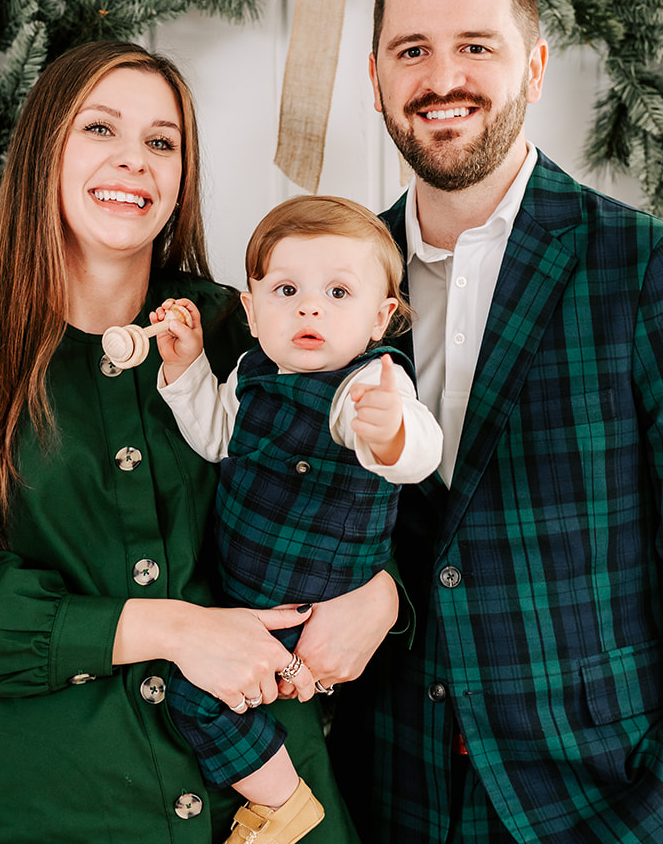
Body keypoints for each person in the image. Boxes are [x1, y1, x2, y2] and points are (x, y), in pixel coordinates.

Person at [0, 41, 384, 844]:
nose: (133, 161)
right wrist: (174, 628)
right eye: (100, 129)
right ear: (46, 152)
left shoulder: (251, 333)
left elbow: (375, 484)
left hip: (273, 804)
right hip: (50, 809)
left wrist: (386, 597)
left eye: (161, 141)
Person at [323, 0, 663, 844]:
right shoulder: (336, 279)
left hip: (594, 787)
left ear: (532, 66)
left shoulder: (645, 266)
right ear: (375, 78)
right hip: (384, 777)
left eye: (476, 47)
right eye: (412, 50)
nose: (442, 76)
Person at [153, 196, 445, 844]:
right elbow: (216, 436)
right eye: (286, 289)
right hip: (247, 589)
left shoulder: (365, 385)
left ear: (380, 316)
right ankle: (279, 791)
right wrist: (184, 368)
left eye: (338, 291)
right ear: (253, 311)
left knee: (198, 695)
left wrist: (394, 432)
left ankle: (284, 804)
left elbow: (413, 451)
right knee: (224, 688)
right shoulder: (251, 373)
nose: (310, 307)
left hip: (309, 601)